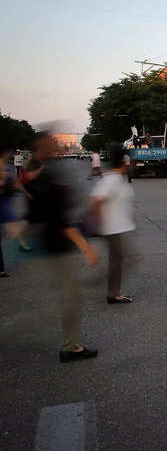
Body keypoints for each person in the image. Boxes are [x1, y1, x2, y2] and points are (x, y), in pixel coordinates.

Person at [24, 133, 100, 362]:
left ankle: (70, 344)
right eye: (52, 142)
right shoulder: (44, 174)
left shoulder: (40, 171)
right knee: (72, 297)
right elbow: (58, 220)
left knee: (68, 296)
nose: (58, 145)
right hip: (55, 244)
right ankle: (70, 347)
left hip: (49, 241)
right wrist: (86, 247)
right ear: (41, 147)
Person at [91, 146, 135, 303]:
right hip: (112, 228)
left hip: (118, 227)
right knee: (121, 260)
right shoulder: (112, 179)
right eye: (130, 161)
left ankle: (111, 290)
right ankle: (112, 292)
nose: (132, 165)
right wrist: (100, 223)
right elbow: (95, 200)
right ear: (125, 162)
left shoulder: (118, 178)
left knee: (121, 259)